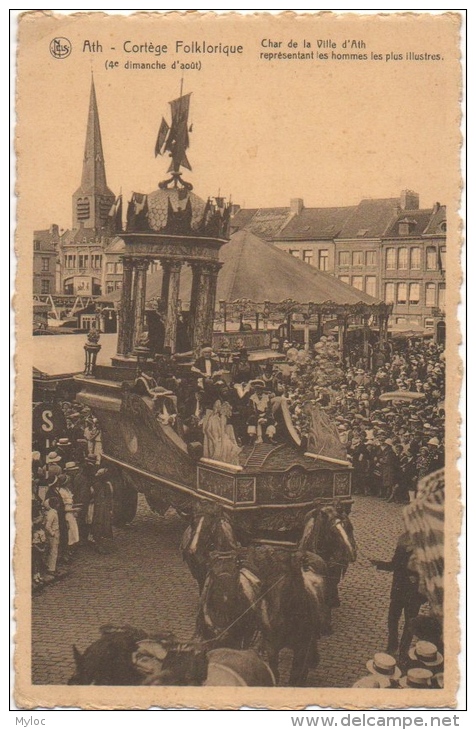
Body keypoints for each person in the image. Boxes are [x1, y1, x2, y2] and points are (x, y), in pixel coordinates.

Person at [371, 533, 426, 658]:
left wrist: (417, 580)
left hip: (414, 595)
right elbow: (394, 565)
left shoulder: (425, 549)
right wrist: (378, 564)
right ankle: (392, 646)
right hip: (398, 591)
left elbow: (429, 573)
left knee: (409, 623)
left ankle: (403, 650)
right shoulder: (402, 544)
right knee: (392, 619)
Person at [91, 468, 114, 554]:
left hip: (102, 508)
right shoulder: (99, 485)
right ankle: (99, 544)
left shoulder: (102, 485)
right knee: (99, 524)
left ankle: (102, 544)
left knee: (103, 524)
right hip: (100, 508)